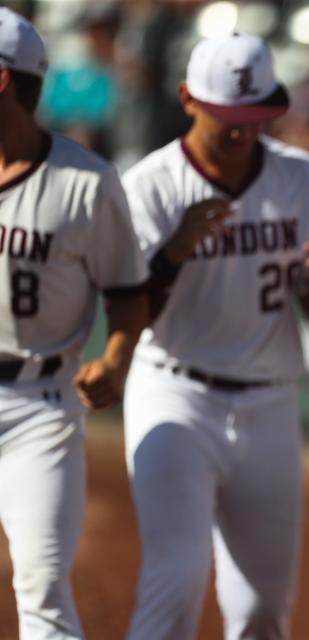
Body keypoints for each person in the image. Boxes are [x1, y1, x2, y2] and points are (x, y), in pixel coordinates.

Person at [121, 32, 309, 639]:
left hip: (270, 403)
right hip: (176, 391)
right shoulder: (152, 185)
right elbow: (127, 316)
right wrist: (172, 254)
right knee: (177, 579)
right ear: (188, 98)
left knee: (263, 607)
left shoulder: (298, 176)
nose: (243, 131)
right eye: (229, 117)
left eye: (254, 117)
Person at [0, 8, 148, 638]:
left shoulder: (85, 182)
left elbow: (127, 292)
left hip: (40, 404)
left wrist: (115, 358)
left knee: (40, 580)